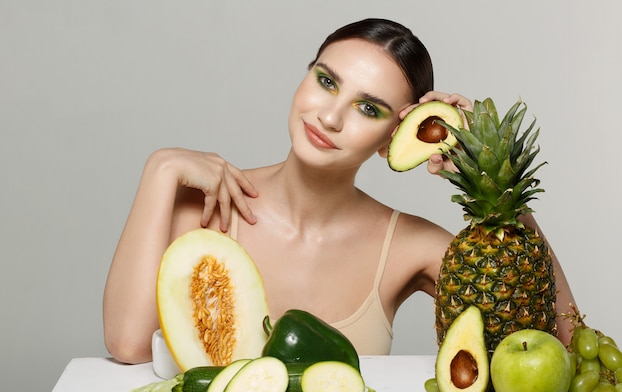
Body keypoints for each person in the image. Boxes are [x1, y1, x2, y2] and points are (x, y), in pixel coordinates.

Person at [103, 18, 576, 364]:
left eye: (368, 109)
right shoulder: (205, 204)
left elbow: (558, 340)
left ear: (395, 139)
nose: (329, 117)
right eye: (325, 81)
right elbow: (127, 344)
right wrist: (160, 169)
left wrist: (496, 177)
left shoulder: (409, 246)